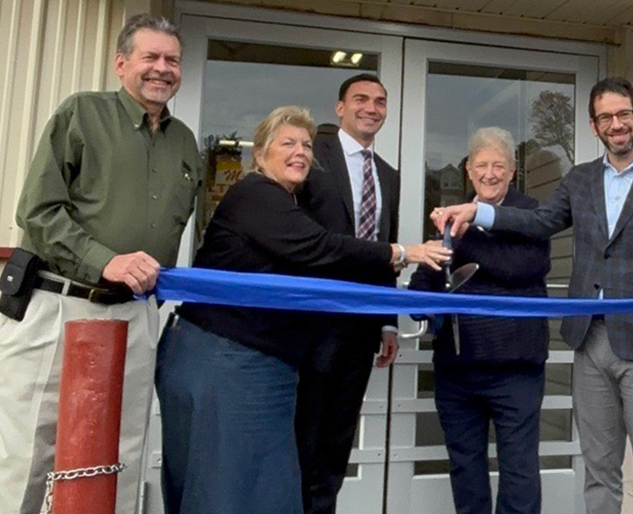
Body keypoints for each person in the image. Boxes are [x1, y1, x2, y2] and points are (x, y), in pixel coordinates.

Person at [154, 106, 450, 514]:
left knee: (259, 487)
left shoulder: (286, 203)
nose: (300, 152)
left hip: (255, 359)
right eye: (287, 143)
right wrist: (402, 252)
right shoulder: (256, 194)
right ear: (259, 153)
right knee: (225, 487)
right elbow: (320, 248)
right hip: (223, 357)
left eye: (307, 145)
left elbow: (320, 255)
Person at [433, 78, 633, 514]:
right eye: (605, 118)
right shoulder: (580, 179)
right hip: (589, 342)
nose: (616, 125)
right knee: (598, 469)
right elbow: (540, 222)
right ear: (593, 126)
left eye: (623, 115)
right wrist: (479, 211)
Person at [0, 14, 199, 514]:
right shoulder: (81, 113)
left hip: (136, 314)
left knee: (121, 457)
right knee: (30, 459)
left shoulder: (185, 142)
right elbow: (36, 212)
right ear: (122, 64)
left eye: (172, 60)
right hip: (56, 305)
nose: (162, 69)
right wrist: (106, 261)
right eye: (150, 57)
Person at [410, 127, 551, 514]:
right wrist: (421, 289)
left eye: (498, 166)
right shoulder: (451, 218)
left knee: (519, 471)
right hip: (458, 368)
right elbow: (426, 281)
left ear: (512, 171)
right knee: (465, 466)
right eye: (482, 166)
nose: (490, 174)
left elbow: (522, 266)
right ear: (469, 171)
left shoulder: (531, 213)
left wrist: (468, 231)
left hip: (516, 369)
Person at [296, 74, 400, 514]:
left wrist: (388, 318)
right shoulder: (310, 157)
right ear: (339, 108)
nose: (371, 108)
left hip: (360, 327)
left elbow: (386, 249)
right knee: (302, 435)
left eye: (379, 101)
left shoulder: (388, 175)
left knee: (338, 439)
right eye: (360, 99)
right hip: (310, 323)